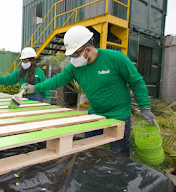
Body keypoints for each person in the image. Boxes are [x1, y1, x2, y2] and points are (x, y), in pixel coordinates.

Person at [21, 25, 156, 158]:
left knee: (119, 154)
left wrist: (145, 107)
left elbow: (136, 81)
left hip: (119, 113)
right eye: (71, 54)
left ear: (88, 49)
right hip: (95, 112)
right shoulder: (75, 66)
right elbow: (57, 80)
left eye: (75, 53)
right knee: (88, 151)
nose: (73, 58)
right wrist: (35, 88)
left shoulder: (115, 58)